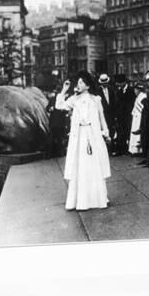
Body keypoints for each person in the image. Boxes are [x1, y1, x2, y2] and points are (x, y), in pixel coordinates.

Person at [55, 70, 111, 211]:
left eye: (81, 82)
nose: (78, 85)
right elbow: (59, 106)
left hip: (93, 135)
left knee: (94, 166)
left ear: (87, 85)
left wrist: (106, 133)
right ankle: (80, 201)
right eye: (78, 82)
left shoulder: (96, 100)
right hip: (79, 137)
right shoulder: (74, 100)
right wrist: (64, 90)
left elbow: (101, 117)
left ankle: (97, 199)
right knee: (80, 166)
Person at [112, 74, 135, 156]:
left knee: (128, 131)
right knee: (120, 132)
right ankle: (121, 149)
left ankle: (128, 149)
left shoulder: (131, 91)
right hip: (120, 116)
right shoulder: (118, 91)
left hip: (129, 115)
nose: (117, 84)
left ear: (124, 82)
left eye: (118, 83)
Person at [128, 83, 147, 155]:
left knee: (138, 132)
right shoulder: (138, 97)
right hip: (136, 117)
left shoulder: (143, 96)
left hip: (140, 117)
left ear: (139, 90)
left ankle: (139, 150)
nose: (134, 91)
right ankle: (134, 149)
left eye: (136, 89)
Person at [97, 73, 116, 142]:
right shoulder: (97, 91)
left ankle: (111, 149)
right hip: (103, 115)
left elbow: (114, 102)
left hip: (111, 115)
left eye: (106, 83)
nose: (105, 84)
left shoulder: (111, 90)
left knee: (111, 132)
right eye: (103, 83)